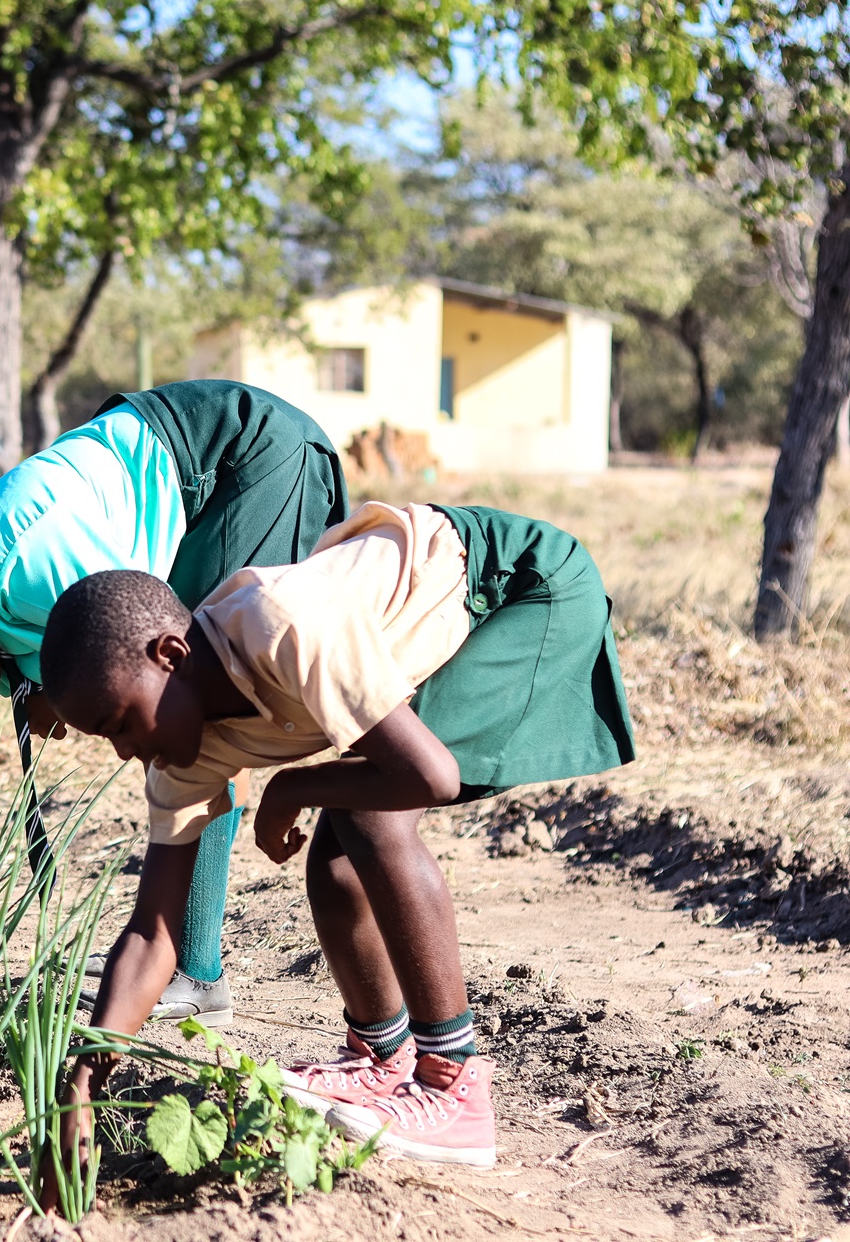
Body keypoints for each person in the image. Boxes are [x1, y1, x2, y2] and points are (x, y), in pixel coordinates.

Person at [37, 501, 634, 1173]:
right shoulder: (184, 750)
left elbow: (429, 777)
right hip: (443, 617)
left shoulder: (283, 623)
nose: (123, 751)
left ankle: (453, 1083)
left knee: (367, 818)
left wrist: (293, 788)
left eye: (122, 721)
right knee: (338, 853)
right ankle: (381, 1057)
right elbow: (153, 932)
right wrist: (87, 1077)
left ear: (171, 655)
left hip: (516, 587)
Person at [0, 380, 346, 1024]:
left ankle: (192, 969)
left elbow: (137, 653)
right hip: (161, 467)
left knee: (198, 708)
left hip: (240, 454)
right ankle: (170, 957)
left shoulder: (31, 567)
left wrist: (49, 685)